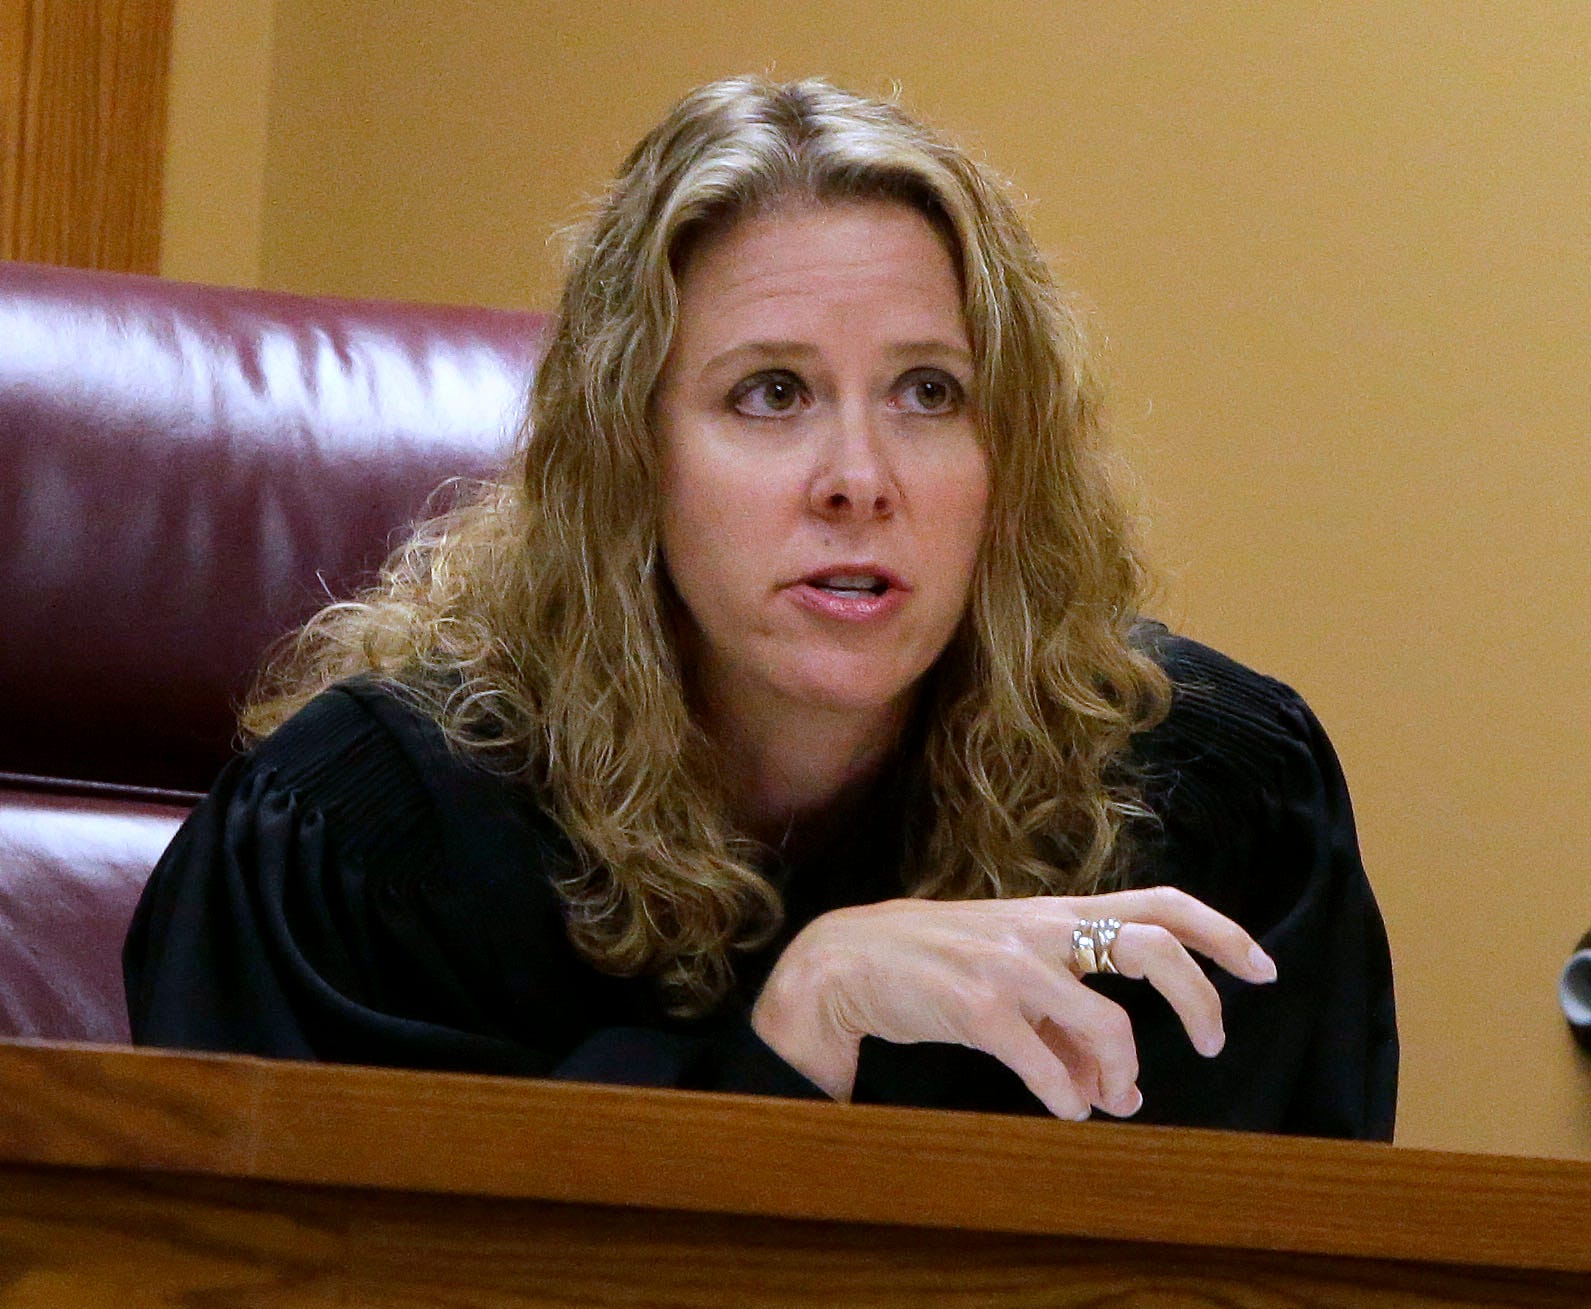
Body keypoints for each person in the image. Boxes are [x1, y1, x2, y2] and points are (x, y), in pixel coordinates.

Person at [124, 75, 1397, 1138]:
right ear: (628, 456)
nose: (860, 479)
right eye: (771, 394)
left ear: (1009, 457)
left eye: (929, 392)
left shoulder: (1208, 805)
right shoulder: (367, 841)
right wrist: (801, 1022)